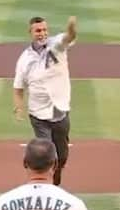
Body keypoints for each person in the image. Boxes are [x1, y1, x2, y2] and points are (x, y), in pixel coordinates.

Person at [13, 14, 78, 186]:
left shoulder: (56, 45)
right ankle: (47, 186)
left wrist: (71, 27)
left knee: (62, 156)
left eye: (44, 30)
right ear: (30, 32)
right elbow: (18, 87)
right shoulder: (24, 59)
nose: (42, 33)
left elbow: (69, 37)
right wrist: (19, 107)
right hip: (38, 114)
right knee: (48, 153)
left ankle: (56, 177)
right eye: (38, 30)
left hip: (59, 110)